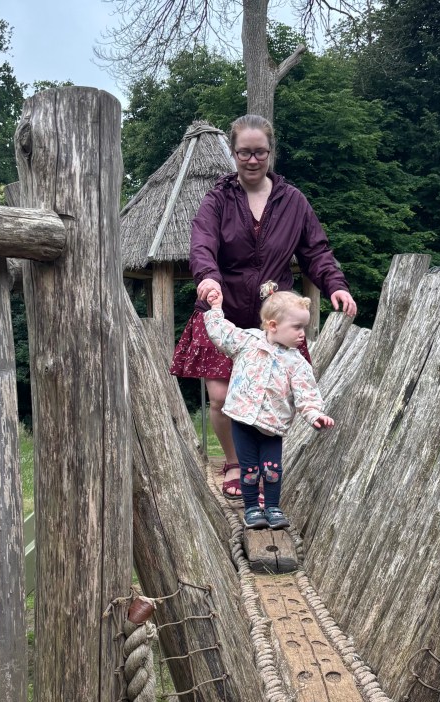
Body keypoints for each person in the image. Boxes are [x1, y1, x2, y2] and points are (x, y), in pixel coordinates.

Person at [169, 113, 356, 500]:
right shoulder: (217, 200)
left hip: (275, 320)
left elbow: (316, 252)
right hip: (227, 312)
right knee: (221, 397)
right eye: (244, 153)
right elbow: (202, 244)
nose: (252, 160)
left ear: (270, 153)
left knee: (272, 396)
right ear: (234, 154)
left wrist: (335, 285)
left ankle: (263, 471)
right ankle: (236, 462)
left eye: (260, 153)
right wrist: (207, 278)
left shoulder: (293, 201)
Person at [202, 286, 334, 529]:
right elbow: (222, 333)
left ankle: (273, 507)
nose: (302, 334)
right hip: (242, 422)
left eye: (303, 327)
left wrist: (315, 414)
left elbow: (307, 394)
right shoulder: (248, 342)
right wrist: (216, 308)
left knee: (272, 470)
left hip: (273, 427)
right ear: (273, 326)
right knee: (250, 470)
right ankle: (252, 509)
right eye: (297, 327)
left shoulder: (297, 363)